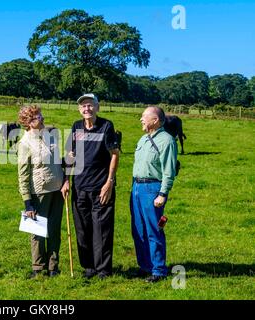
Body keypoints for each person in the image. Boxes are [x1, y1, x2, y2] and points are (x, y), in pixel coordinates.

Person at [64, 93, 120, 279]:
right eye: (83, 106)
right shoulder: (76, 126)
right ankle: (88, 267)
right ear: (79, 109)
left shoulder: (106, 126)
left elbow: (114, 154)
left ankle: (103, 269)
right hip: (79, 188)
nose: (86, 109)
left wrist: (109, 183)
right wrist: (66, 179)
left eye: (90, 105)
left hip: (101, 188)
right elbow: (70, 155)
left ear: (97, 107)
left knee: (102, 230)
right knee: (83, 229)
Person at [17, 105, 69, 278]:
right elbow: (23, 174)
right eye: (37, 117)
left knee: (54, 230)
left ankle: (53, 267)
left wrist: (66, 173)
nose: (41, 118)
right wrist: (28, 202)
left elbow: (57, 162)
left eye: (40, 114)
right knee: (38, 231)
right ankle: (38, 268)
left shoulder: (51, 136)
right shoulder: (25, 143)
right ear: (28, 122)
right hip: (39, 192)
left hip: (58, 190)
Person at [130, 106, 178, 283]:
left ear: (155, 120)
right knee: (138, 230)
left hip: (152, 189)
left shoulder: (167, 141)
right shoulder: (143, 139)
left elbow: (168, 171)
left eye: (144, 116)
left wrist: (163, 193)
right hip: (136, 187)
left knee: (153, 229)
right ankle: (145, 266)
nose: (141, 119)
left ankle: (158, 270)